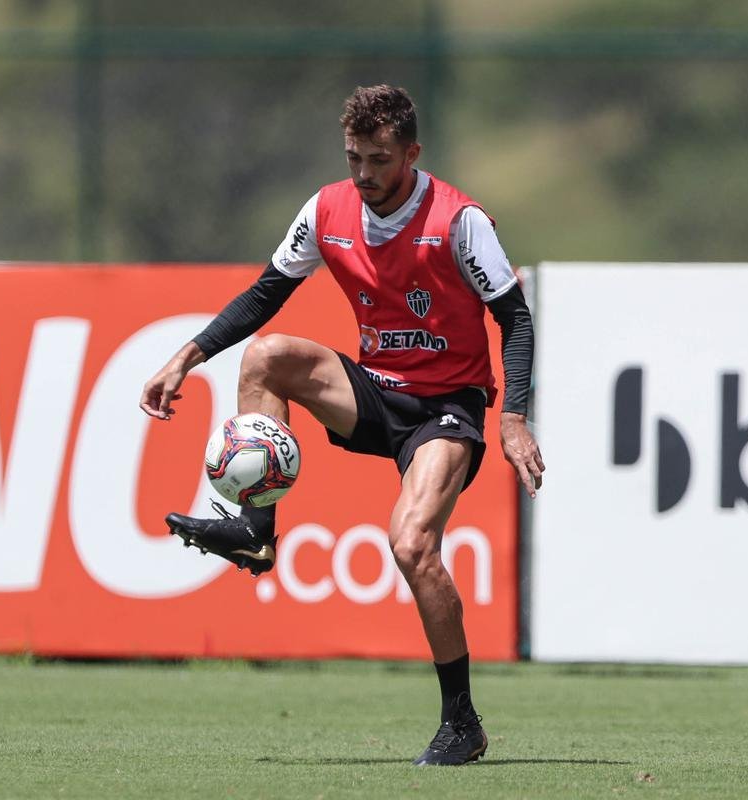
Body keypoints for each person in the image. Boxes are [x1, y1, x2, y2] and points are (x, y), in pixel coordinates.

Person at [139, 84, 544, 767]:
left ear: (411, 154)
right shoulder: (327, 210)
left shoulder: (458, 220)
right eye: (354, 157)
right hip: (376, 392)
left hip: (447, 406)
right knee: (267, 357)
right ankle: (255, 530)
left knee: (412, 545)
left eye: (379, 159)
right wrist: (188, 356)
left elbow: (516, 318)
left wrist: (512, 418)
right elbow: (268, 292)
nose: (364, 174)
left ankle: (461, 723)